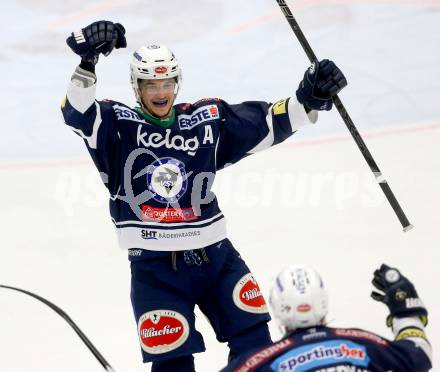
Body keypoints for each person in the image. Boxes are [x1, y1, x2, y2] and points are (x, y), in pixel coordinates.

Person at [61, 20, 347, 371]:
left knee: (256, 346)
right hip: (155, 270)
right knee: (173, 365)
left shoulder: (204, 120)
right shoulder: (116, 126)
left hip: (218, 259)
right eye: (151, 83)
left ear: (177, 82)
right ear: (137, 87)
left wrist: (308, 98)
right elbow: (77, 112)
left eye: (166, 82)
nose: (160, 91)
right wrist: (87, 62)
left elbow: (261, 125)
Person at [222, 264, 432, 372]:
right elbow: (419, 354)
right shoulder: (362, 342)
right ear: (323, 301)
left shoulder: (260, 361)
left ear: (278, 307)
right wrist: (406, 311)